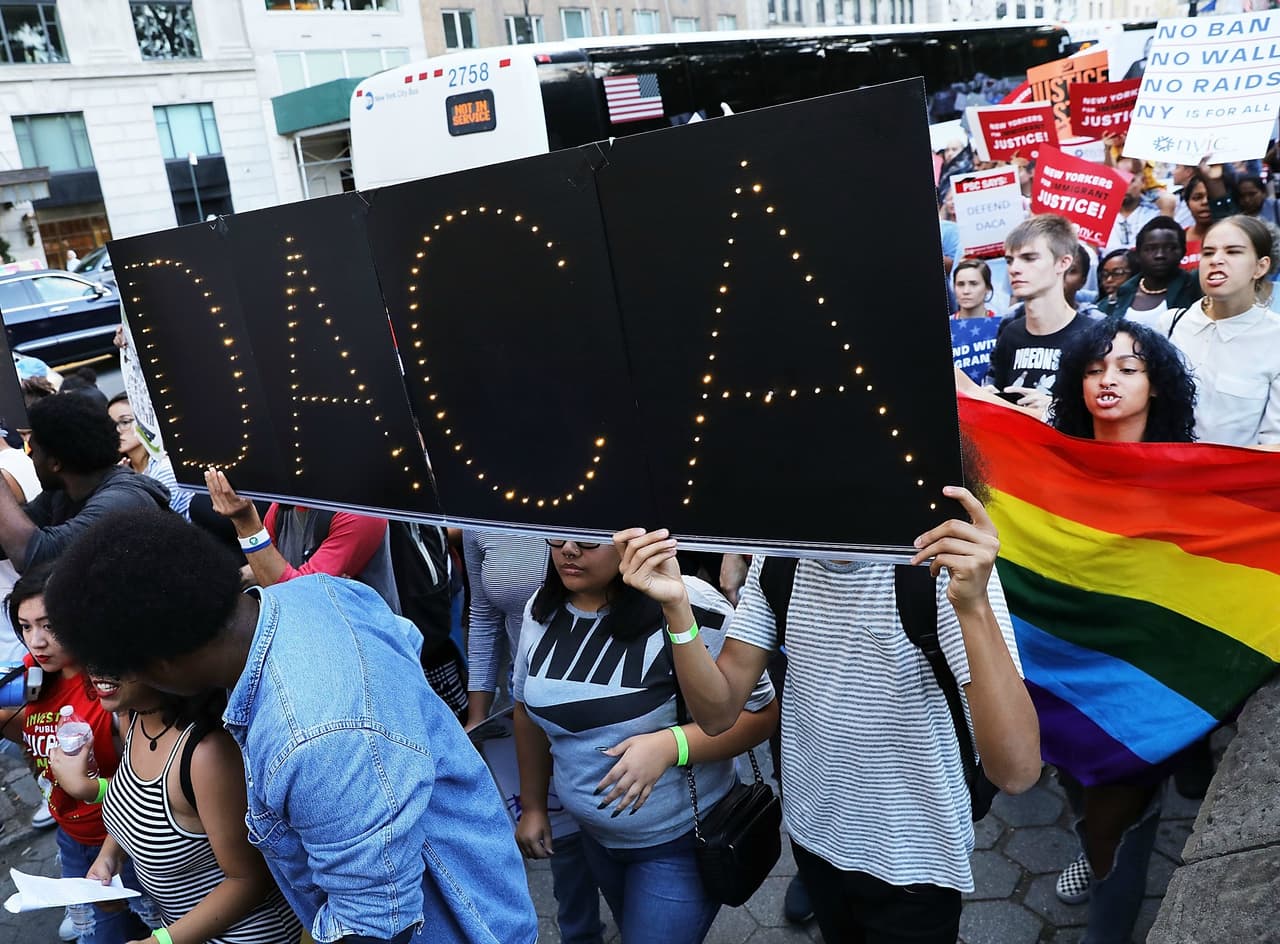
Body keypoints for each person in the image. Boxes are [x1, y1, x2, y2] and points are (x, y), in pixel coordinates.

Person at [44, 508, 539, 944]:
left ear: (158, 663)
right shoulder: (318, 593)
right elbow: (402, 646)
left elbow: (375, 926)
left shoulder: (314, 739)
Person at [612, 491, 1041, 943]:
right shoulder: (782, 557)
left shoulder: (940, 563)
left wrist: (972, 605)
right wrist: (676, 608)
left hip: (914, 859)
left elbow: (1017, 770)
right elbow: (718, 713)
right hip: (814, 836)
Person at [512, 536, 777, 944]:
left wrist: (672, 746)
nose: (567, 549)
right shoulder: (539, 609)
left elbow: (760, 716)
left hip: (681, 842)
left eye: (588, 539)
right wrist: (532, 806)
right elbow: (524, 713)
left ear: (637, 540)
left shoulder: (690, 603)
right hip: (595, 838)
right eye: (557, 536)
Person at [1046, 319, 1197, 943]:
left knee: (1122, 809)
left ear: (1156, 386)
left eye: (1127, 369)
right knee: (1080, 789)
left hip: (1145, 681)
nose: (1108, 381)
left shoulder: (1192, 477)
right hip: (1061, 673)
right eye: (1093, 369)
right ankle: (1094, 848)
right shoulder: (1046, 466)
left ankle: (1109, 910)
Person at [49, 677, 303, 944]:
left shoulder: (206, 753)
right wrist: (109, 858)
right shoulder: (134, 718)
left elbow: (248, 880)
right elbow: (137, 797)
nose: (97, 671)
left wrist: (160, 942)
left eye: (111, 652)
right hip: (179, 929)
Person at [462, 529, 605, 944]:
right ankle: (580, 932)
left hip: (623, 710)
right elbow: (484, 615)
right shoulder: (478, 513)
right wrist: (478, 713)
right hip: (535, 709)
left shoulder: (587, 496)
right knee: (563, 846)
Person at [0, 564, 134, 944]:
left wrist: (88, 788)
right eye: (25, 627)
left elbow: (149, 787)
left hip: (118, 839)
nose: (35, 641)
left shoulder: (113, 689)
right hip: (70, 834)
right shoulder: (34, 675)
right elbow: (19, 728)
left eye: (47, 625)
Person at [0, 394, 171, 572]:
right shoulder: (62, 493)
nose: (30, 457)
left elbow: (34, 556)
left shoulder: (124, 500)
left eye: (33, 451)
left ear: (55, 463)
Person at [1159, 215, 1280, 446]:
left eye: (1233, 252)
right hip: (1164, 473)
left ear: (1260, 266)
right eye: (1208, 252)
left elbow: (1274, 442)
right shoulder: (1171, 324)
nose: (1216, 260)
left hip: (1237, 478)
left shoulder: (1275, 337)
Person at [205, 468, 399, 612]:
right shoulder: (280, 509)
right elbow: (265, 566)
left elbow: (300, 598)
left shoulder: (358, 511)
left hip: (368, 647)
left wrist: (246, 523)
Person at [985, 215, 1094, 414]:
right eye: (1009, 260)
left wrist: (1055, 410)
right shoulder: (1010, 333)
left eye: (1029, 258)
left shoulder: (1092, 334)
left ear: (1063, 263)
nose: (1014, 269)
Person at [1100, 217, 1202, 326]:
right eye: (1151, 249)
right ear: (1138, 253)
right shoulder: (1115, 300)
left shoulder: (1196, 288)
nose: (1160, 255)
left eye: (1170, 248)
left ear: (1183, 252)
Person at [106, 393, 191, 521]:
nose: (117, 430)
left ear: (146, 421)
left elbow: (151, 522)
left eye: (124, 422)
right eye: (111, 425)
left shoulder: (165, 468)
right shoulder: (122, 470)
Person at [950, 260, 1002, 385]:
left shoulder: (1004, 325)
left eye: (973, 284)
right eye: (960, 284)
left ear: (987, 288)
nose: (966, 291)